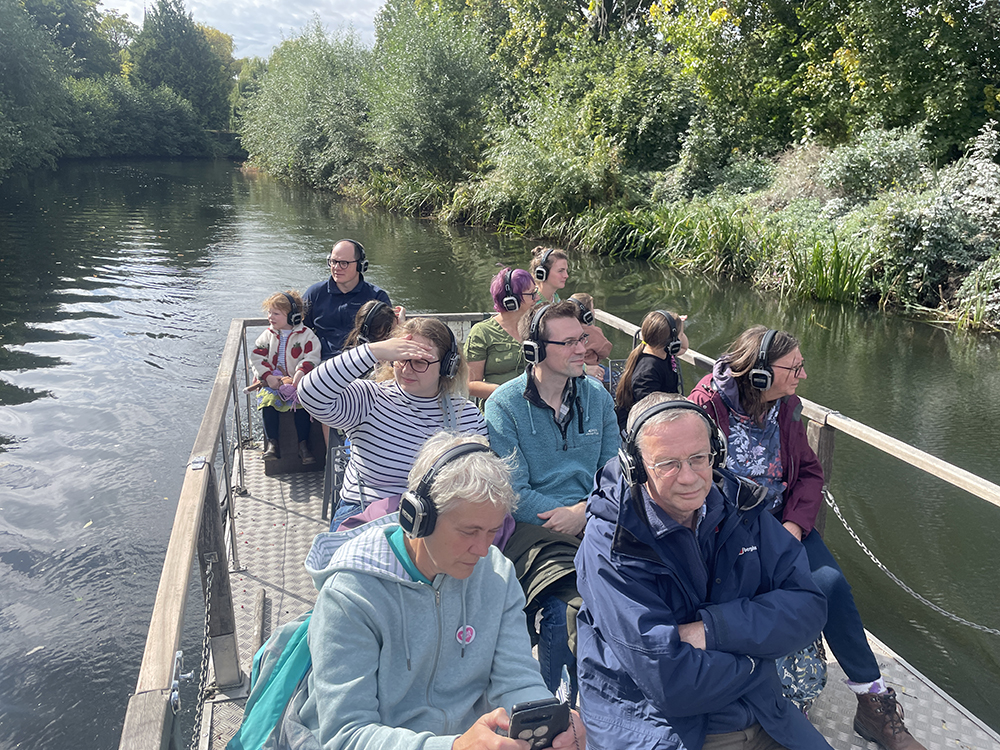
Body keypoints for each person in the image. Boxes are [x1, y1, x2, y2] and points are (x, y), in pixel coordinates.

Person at [689, 326, 927, 750]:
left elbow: (810, 473)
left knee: (831, 584)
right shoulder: (705, 405)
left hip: (783, 523)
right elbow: (694, 481)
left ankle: (872, 703)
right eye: (793, 368)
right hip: (727, 528)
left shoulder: (788, 407)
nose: (802, 375)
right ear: (759, 373)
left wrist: (794, 526)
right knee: (745, 598)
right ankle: (755, 695)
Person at [279, 431, 585, 750]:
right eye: (469, 531)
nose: (483, 549)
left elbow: (517, 679)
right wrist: (453, 747)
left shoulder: (498, 573)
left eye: (493, 531)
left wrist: (548, 723)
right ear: (418, 518)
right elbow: (344, 735)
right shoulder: (350, 595)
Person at [576, 393, 831, 750]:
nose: (689, 477)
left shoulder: (740, 506)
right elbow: (672, 684)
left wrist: (714, 630)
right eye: (668, 464)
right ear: (635, 466)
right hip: (660, 728)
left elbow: (809, 607)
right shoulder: (612, 543)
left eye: (699, 458)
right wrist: (758, 661)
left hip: (762, 711)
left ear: (717, 452)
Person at [485, 301, 620, 699]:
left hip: (595, 518)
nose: (582, 349)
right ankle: (548, 705)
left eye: (582, 338)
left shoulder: (597, 397)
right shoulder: (503, 405)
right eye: (568, 343)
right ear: (534, 350)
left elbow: (613, 472)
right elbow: (513, 491)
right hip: (536, 530)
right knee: (568, 610)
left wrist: (585, 510)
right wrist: (563, 516)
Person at [298, 316, 487, 528]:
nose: (407, 370)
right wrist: (374, 351)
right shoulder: (369, 399)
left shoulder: (467, 415)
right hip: (367, 512)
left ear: (447, 366)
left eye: (419, 362)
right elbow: (309, 393)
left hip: (436, 519)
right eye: (401, 359)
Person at [249, 291, 321, 463]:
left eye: (276, 314)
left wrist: (301, 372)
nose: (270, 317)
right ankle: (272, 443)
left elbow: (313, 356)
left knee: (302, 407)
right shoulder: (268, 334)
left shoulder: (307, 335)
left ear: (294, 317)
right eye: (269, 313)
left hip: (297, 381)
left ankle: (303, 445)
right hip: (274, 381)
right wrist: (267, 376)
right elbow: (257, 356)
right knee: (267, 403)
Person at [303, 238, 392, 361]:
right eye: (333, 261)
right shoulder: (315, 293)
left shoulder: (377, 298)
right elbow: (297, 330)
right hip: (321, 364)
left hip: (363, 366)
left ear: (361, 265)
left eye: (344, 263)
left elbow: (386, 338)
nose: (336, 268)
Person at [464, 267, 534, 404]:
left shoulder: (538, 326)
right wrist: (507, 392)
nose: (537, 298)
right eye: (531, 294)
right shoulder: (482, 332)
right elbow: (470, 384)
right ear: (511, 300)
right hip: (499, 406)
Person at [614, 309, 688, 433]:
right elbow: (650, 415)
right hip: (645, 425)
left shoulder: (662, 352)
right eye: (680, 336)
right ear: (672, 342)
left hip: (665, 412)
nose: (681, 340)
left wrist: (677, 324)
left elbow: (684, 347)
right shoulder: (647, 373)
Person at [568, 293, 612, 383]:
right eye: (592, 308)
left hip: (573, 368)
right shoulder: (593, 331)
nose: (594, 311)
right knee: (617, 376)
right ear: (587, 314)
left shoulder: (565, 329)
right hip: (592, 368)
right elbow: (606, 351)